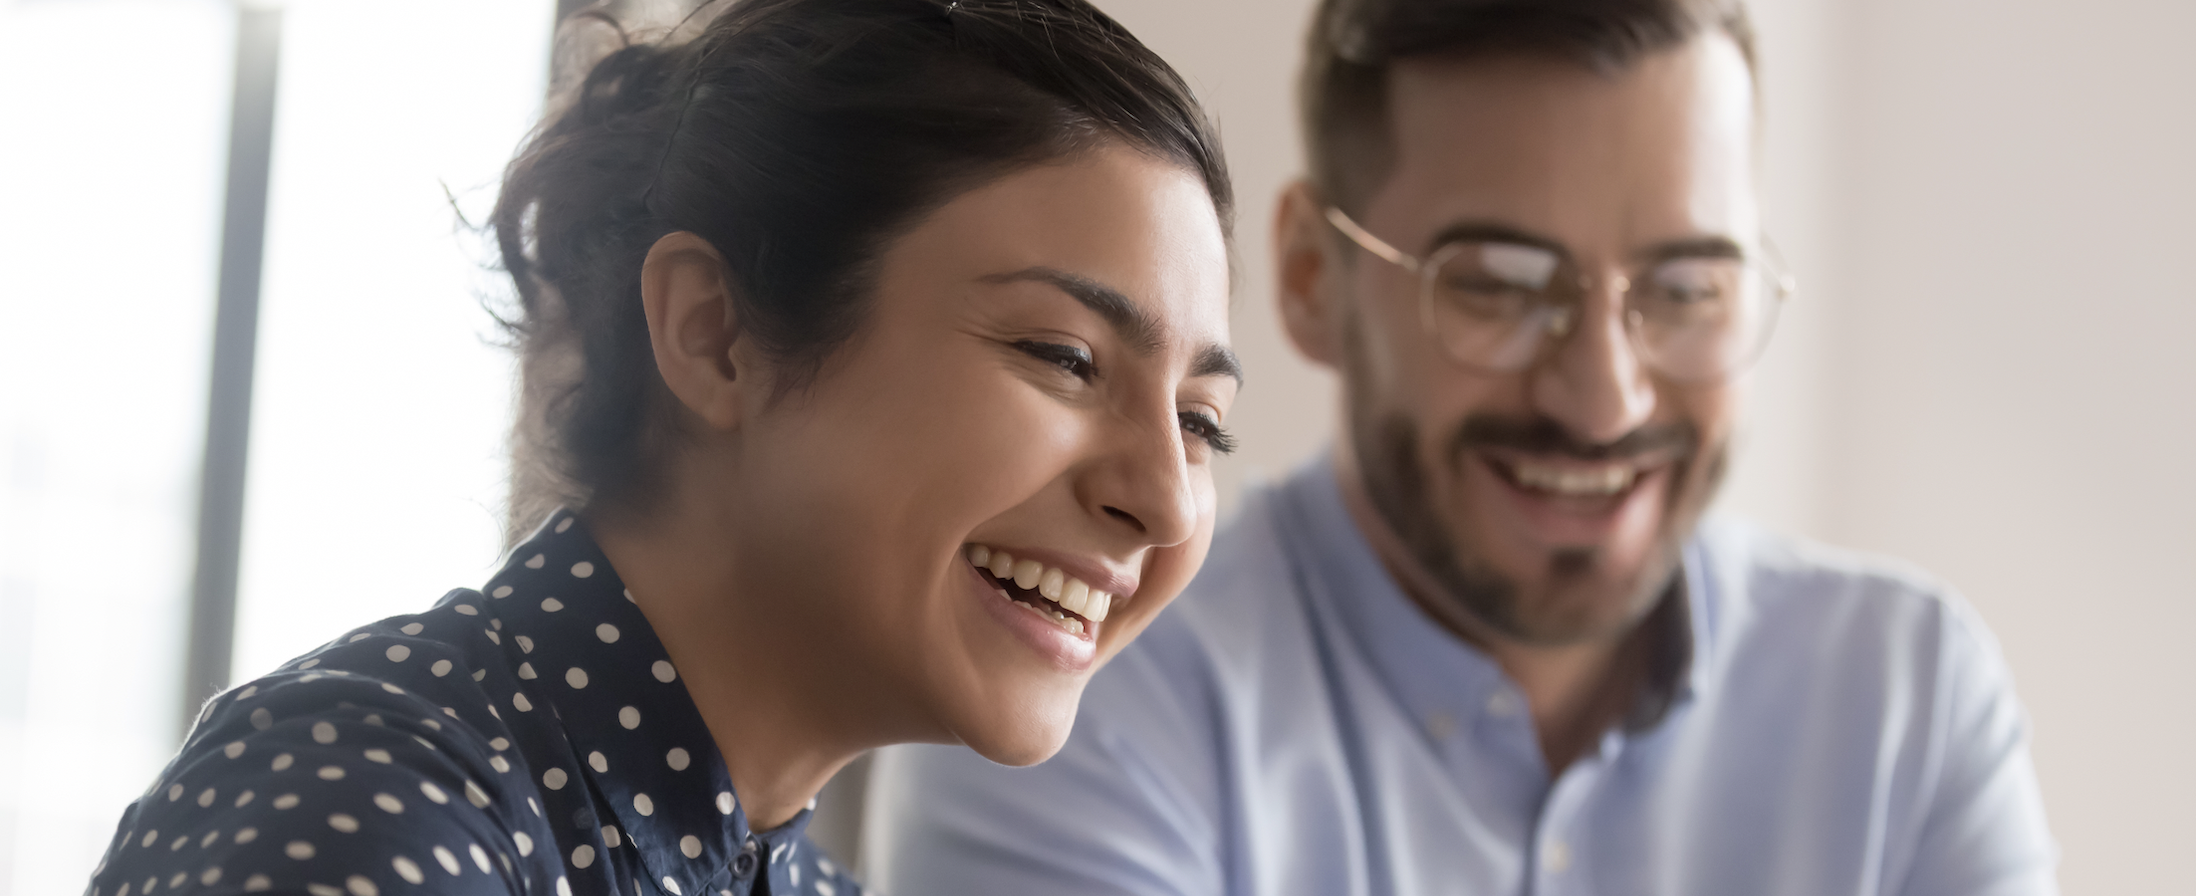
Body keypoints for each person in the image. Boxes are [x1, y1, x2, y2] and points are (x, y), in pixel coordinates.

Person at [864, 0, 2059, 893]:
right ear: (1311, 278)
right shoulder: (1069, 681)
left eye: (1685, 287)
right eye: (1499, 284)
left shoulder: (1904, 697)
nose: (1604, 399)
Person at [85, 1, 1241, 894]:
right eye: (1064, 356)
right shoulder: (378, 809)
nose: (1168, 501)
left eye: (1199, 420)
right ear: (713, 333)